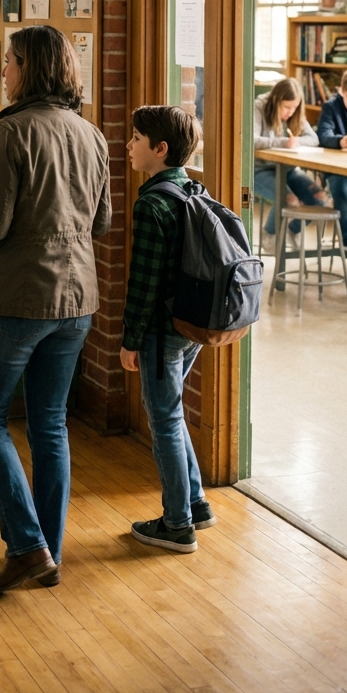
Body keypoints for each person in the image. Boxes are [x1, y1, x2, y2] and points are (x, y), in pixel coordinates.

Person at [0, 26, 110, 595]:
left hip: (16, 301)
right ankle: (49, 552)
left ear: (28, 68)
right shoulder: (92, 134)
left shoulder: (10, 133)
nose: (3, 72)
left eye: (9, 62)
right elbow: (103, 222)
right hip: (76, 300)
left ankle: (26, 544)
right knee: (50, 425)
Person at [121, 105, 214, 555]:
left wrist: (130, 340)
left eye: (136, 139)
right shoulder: (192, 188)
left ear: (160, 149)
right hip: (192, 324)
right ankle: (195, 503)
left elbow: (144, 281)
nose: (128, 145)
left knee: (165, 422)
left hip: (161, 330)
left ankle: (177, 525)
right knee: (173, 416)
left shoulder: (151, 203)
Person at [253, 77, 327, 254]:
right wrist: (284, 142)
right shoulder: (259, 106)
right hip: (259, 170)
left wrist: (296, 141)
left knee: (320, 199)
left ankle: (292, 229)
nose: (290, 112)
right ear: (276, 100)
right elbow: (253, 140)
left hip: (288, 169)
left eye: (294, 108)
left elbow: (313, 138)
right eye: (286, 107)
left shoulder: (295, 112)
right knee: (290, 200)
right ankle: (269, 234)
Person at [317, 69, 347, 256]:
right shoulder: (331, 107)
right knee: (342, 190)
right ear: (343, 91)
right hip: (339, 172)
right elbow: (323, 135)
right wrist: (340, 141)